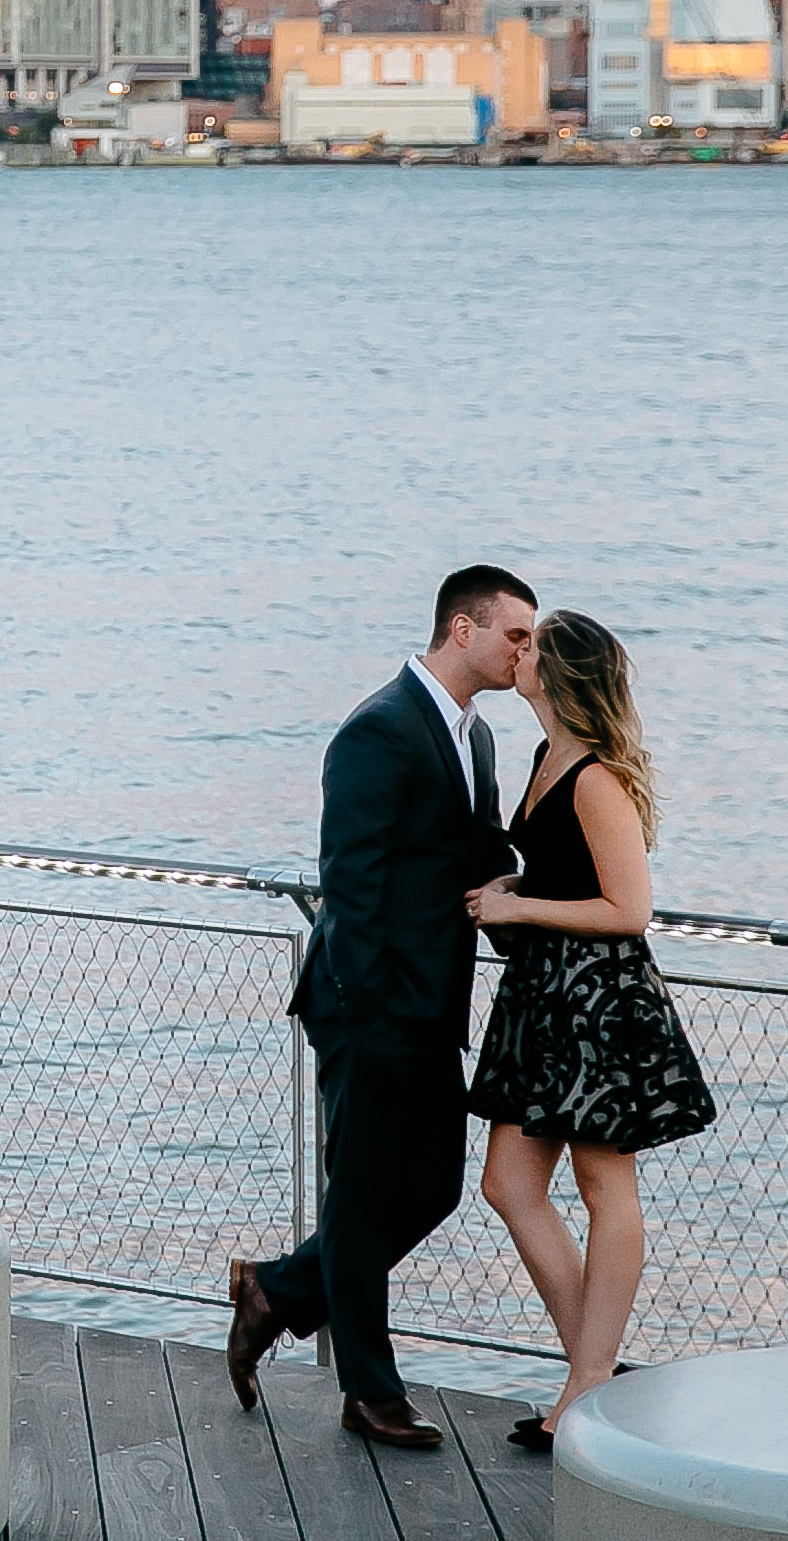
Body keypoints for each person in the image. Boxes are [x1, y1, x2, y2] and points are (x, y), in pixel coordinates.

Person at [226, 562, 535, 1449]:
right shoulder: (379, 728)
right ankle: (370, 1393)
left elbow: (471, 859)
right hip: (368, 1007)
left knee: (433, 1190)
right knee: (362, 1201)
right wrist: (368, 1012)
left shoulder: (474, 738)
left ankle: (278, 1292)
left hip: (434, 1008)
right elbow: (349, 886)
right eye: (515, 634)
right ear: (462, 630)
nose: (526, 651)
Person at [463, 609, 718, 1448]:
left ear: (562, 674)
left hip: (599, 1003)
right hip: (545, 995)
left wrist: (518, 903)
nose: (517, 653)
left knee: (607, 1187)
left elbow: (629, 909)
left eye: (530, 647)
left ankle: (587, 1382)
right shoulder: (545, 757)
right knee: (509, 1183)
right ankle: (596, 1371)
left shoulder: (597, 778)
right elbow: (558, 872)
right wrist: (505, 887)